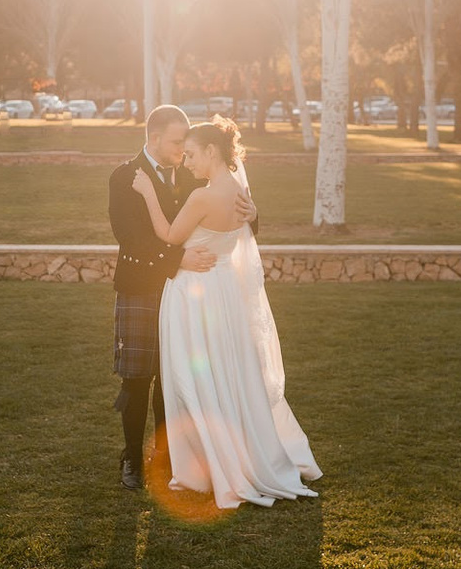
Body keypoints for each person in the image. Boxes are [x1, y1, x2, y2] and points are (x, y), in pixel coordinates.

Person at [129, 115, 321, 509]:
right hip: (225, 295)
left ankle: (206, 464)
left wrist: (148, 193)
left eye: (192, 155)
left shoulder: (202, 197)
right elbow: (242, 231)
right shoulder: (239, 191)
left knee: (193, 378)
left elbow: (169, 236)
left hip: (193, 296)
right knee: (227, 373)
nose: (186, 162)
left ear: (212, 151)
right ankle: (230, 453)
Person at [107, 104, 254, 492]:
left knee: (174, 377)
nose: (183, 150)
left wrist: (253, 212)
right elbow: (129, 237)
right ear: (154, 138)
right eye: (176, 142)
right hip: (141, 287)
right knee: (137, 379)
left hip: (189, 293)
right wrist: (178, 259)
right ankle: (132, 457)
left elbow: (227, 210)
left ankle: (167, 457)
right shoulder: (125, 176)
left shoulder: (193, 172)